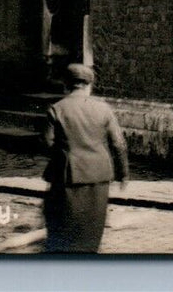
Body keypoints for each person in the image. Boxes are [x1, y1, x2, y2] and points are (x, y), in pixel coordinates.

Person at [40, 63, 129, 253]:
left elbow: (47, 143)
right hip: (99, 176)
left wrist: (63, 158)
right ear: (89, 85)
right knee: (92, 226)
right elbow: (119, 144)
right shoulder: (104, 109)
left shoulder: (56, 109)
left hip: (67, 176)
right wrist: (123, 173)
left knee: (62, 226)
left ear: (66, 84)